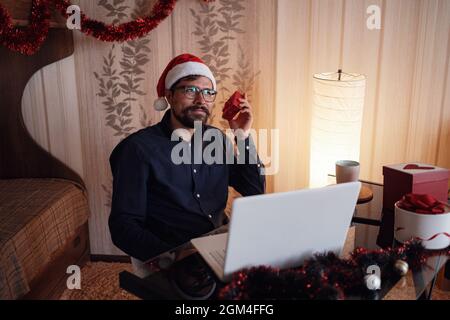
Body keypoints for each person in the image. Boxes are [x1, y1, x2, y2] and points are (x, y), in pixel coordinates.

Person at [108, 53, 265, 267]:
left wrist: (243, 136)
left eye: (208, 92)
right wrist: (172, 258)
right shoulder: (137, 150)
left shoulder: (217, 139)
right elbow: (123, 227)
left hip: (222, 245)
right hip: (174, 255)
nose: (201, 100)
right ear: (169, 95)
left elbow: (254, 190)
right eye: (190, 90)